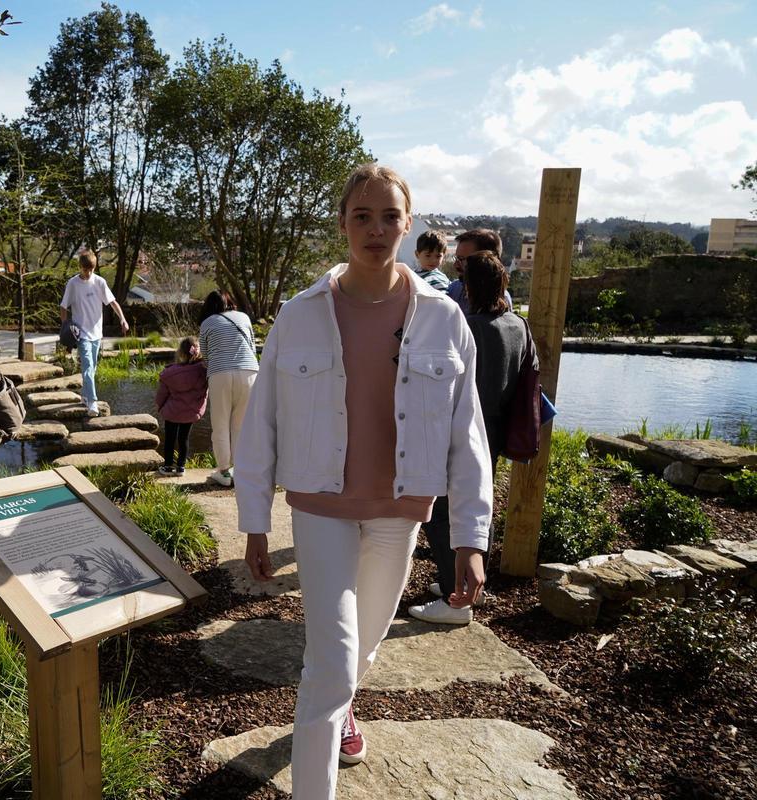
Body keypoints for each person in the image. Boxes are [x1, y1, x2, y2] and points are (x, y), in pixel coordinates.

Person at [235, 164, 493, 800]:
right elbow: (261, 420)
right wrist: (256, 521)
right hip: (321, 509)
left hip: (400, 512)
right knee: (328, 662)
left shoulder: (443, 319)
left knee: (365, 642)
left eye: (389, 217)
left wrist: (470, 537)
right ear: (343, 223)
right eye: (362, 216)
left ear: (409, 225)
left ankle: (349, 702)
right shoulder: (300, 315)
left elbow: (468, 434)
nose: (376, 229)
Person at [410, 251, 535, 624]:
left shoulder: (471, 327)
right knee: (480, 502)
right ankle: (469, 583)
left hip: (464, 426)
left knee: (443, 510)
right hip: (497, 426)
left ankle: (456, 599)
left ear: (468, 286)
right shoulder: (518, 325)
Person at [198, 290, 260, 487]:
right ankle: (239, 469)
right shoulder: (243, 317)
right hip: (250, 371)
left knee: (221, 424)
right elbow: (251, 345)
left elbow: (206, 357)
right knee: (241, 425)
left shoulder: (207, 323)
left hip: (220, 374)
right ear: (230, 302)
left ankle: (224, 471)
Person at [59, 250, 130, 417]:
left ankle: (84, 396)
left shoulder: (99, 282)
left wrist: (123, 319)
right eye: (85, 269)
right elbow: (63, 306)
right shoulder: (73, 284)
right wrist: (65, 326)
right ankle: (93, 403)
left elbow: (112, 302)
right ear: (80, 267)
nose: (88, 272)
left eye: (91, 269)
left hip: (97, 333)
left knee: (92, 368)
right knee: (87, 367)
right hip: (81, 333)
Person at [154, 336, 209, 476]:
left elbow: (161, 394)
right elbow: (204, 394)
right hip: (190, 413)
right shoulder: (203, 372)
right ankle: (181, 467)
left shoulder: (170, 374)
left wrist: (160, 406)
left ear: (180, 353)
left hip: (172, 412)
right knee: (184, 439)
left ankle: (167, 466)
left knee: (170, 439)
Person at [446, 228, 513, 314]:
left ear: (487, 260)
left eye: (462, 259)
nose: (455, 265)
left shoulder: (500, 302)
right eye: (456, 258)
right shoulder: (454, 289)